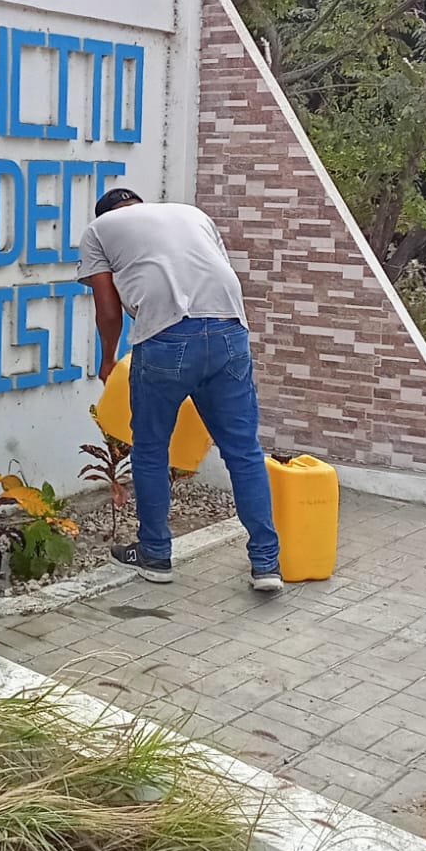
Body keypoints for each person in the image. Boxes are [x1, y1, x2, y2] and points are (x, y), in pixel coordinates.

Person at [77, 188, 283, 592]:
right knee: (243, 452)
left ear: (105, 214)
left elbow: (108, 310)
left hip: (166, 338)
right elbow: (216, 274)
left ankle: (155, 555)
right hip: (229, 332)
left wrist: (107, 359)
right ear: (141, 205)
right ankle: (266, 565)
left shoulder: (99, 230)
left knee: (151, 450)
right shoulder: (192, 214)